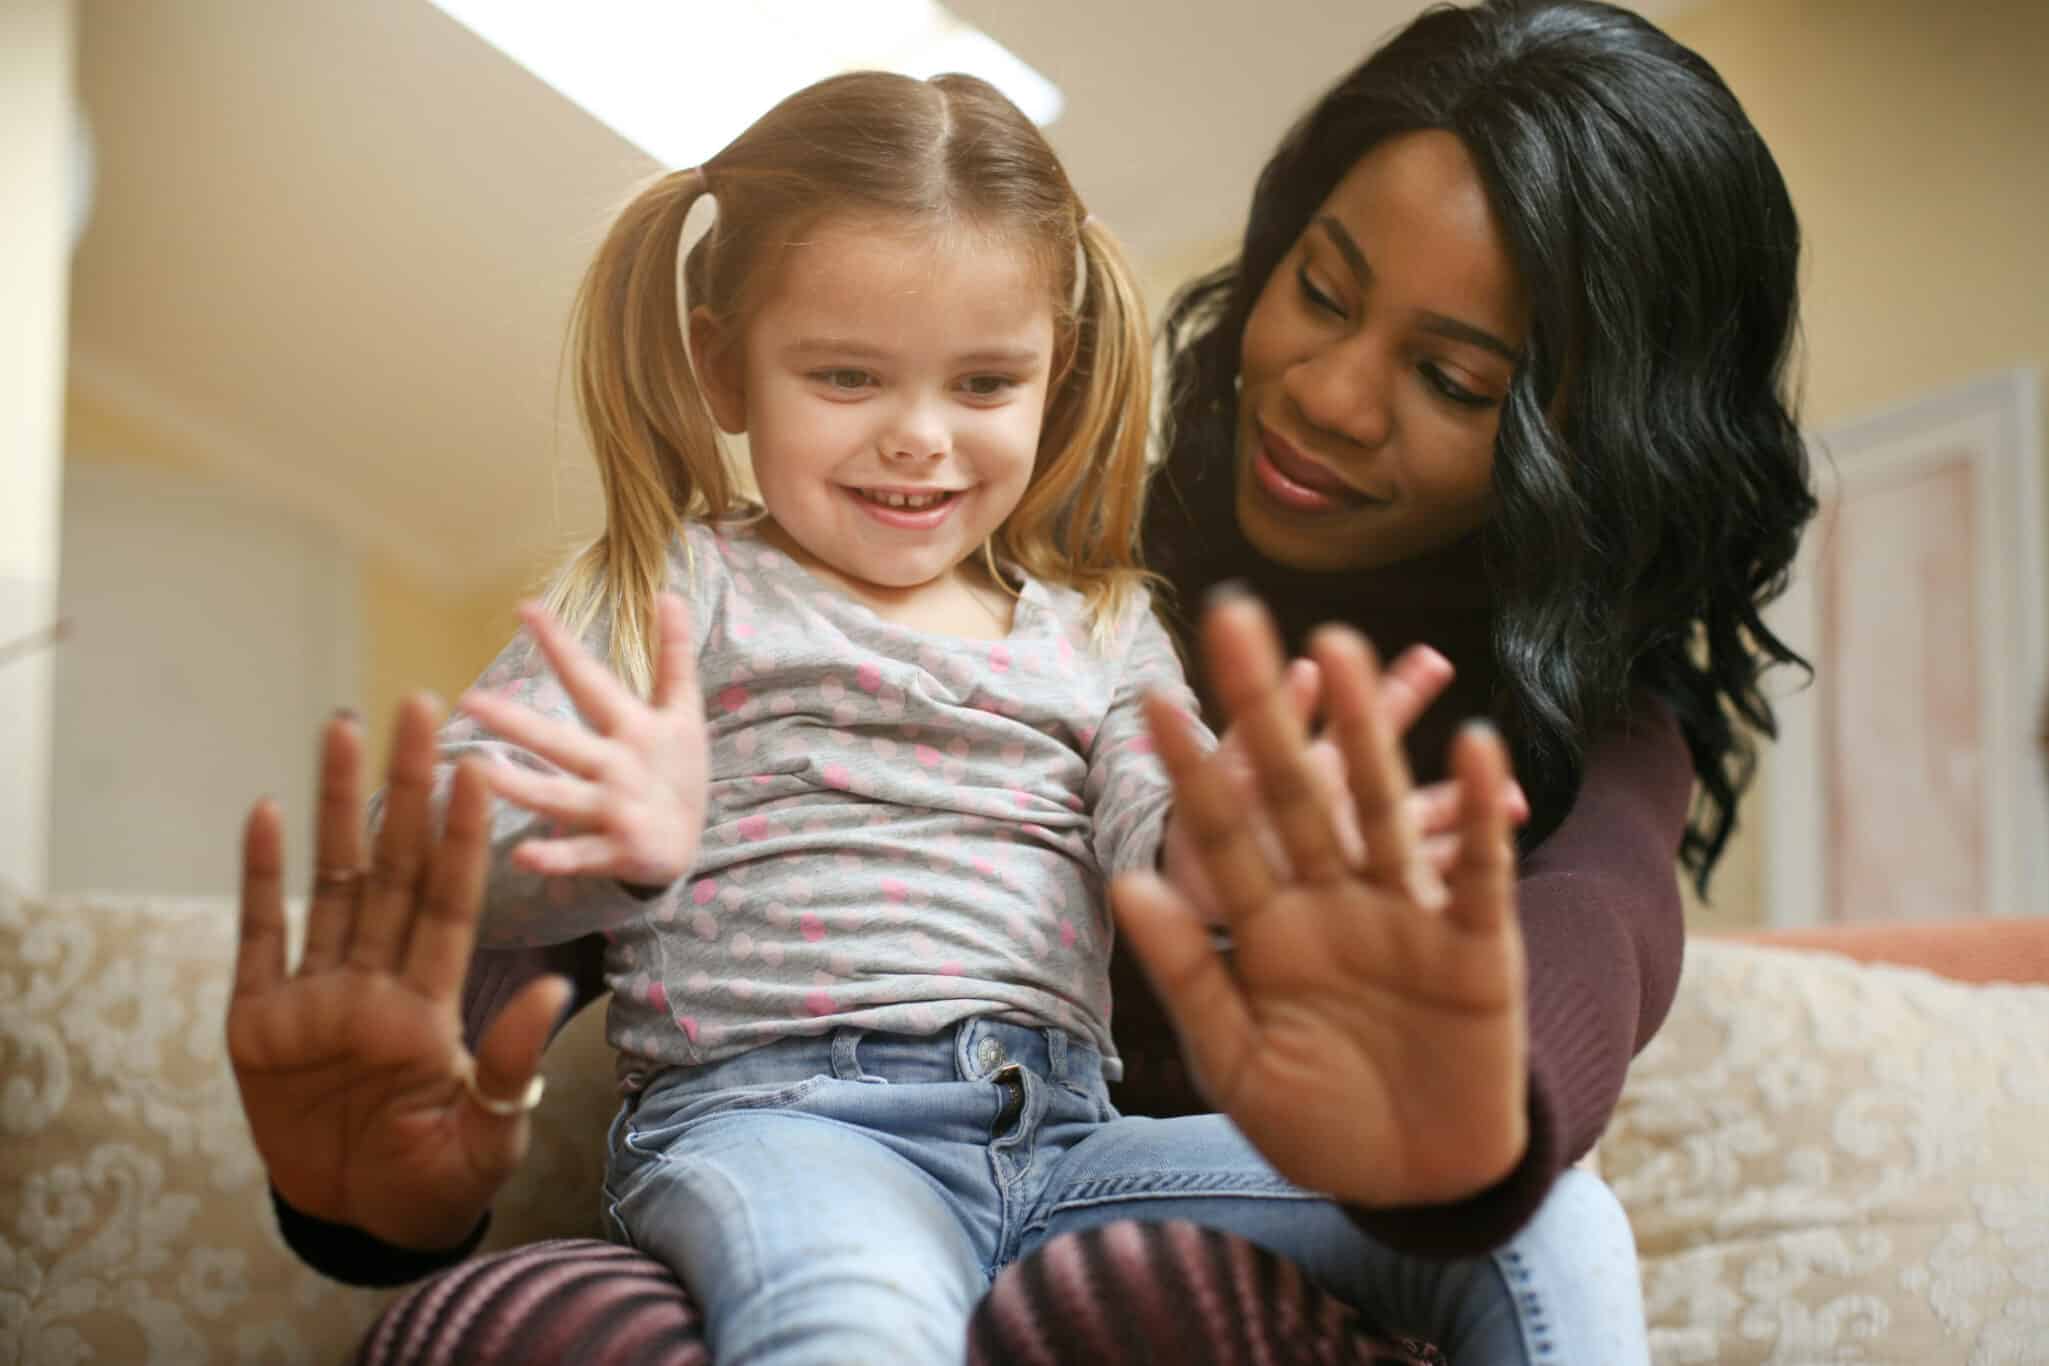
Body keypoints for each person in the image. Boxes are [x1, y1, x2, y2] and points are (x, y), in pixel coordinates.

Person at [228, 66, 1582, 1366]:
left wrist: (1253, 842)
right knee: (853, 1323)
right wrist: (602, 838)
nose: (920, 436)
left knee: (1546, 1224)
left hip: (1064, 1135)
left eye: (983, 384)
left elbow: (1157, 822)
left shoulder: (1100, 620)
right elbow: (426, 845)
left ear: (1054, 373)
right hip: (779, 1124)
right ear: (721, 369)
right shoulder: (665, 585)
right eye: (846, 378)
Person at [981, 0, 1813, 1357]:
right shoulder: (1059, 553)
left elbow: (1597, 915)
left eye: (1448, 378)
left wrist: (1459, 1106)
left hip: (1242, 1256)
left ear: (1594, 447)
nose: (1330, 394)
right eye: (1318, 290)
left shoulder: (1586, 719)